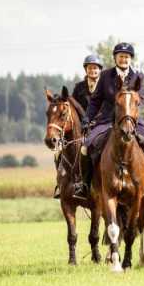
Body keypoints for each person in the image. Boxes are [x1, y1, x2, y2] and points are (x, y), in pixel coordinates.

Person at [74, 42, 144, 201]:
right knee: (85, 149)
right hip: (107, 120)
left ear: (130, 59)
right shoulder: (105, 76)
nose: (124, 59)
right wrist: (87, 119)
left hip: (133, 121)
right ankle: (84, 186)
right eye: (121, 56)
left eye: (127, 57)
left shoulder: (138, 77)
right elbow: (95, 101)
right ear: (115, 58)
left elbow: (140, 98)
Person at [52, 55, 103, 199]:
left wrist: (96, 121)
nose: (92, 70)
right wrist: (83, 123)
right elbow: (74, 107)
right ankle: (61, 185)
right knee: (58, 152)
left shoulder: (104, 86)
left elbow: (107, 106)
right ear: (86, 70)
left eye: (95, 67)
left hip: (102, 125)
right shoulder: (79, 87)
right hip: (83, 127)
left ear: (99, 70)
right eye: (89, 67)